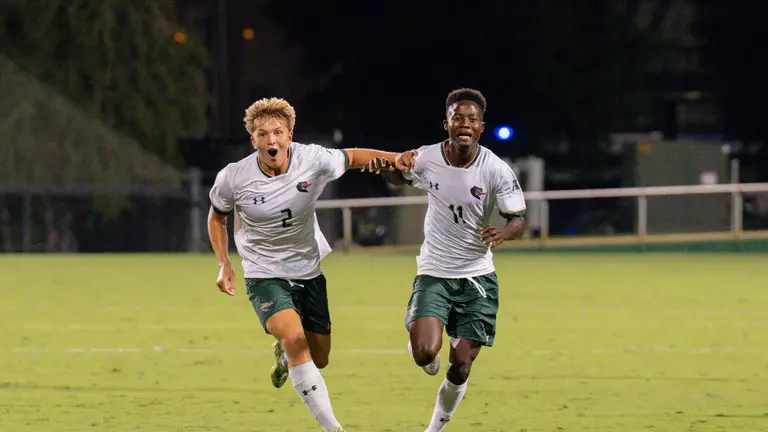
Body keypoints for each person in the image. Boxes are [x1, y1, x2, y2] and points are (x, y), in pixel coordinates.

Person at [208, 97, 411, 432]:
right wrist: (224, 263)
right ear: (253, 139)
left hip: (307, 270)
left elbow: (354, 157)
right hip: (263, 272)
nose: (270, 140)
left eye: (277, 132)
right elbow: (217, 218)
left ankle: (285, 355)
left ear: (290, 135)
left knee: (320, 357)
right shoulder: (233, 177)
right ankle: (334, 428)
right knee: (296, 339)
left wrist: (397, 159)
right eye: (262, 134)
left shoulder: (313, 159)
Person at [364, 88, 526, 431]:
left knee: (462, 365)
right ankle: (423, 347)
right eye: (458, 117)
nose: (464, 123)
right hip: (435, 272)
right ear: (447, 124)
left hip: (477, 278)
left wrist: (503, 232)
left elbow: (518, 220)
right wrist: (385, 170)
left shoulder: (496, 169)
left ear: (481, 127)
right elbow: (400, 176)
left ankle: (434, 429)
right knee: (424, 353)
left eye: (472, 119)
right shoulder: (425, 158)